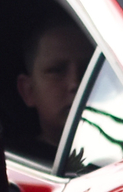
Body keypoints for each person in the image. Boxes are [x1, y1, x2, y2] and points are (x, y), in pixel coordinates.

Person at [18, 13, 93, 155]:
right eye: (57, 71)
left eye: (88, 70)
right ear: (28, 91)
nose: (75, 83)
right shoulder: (19, 164)